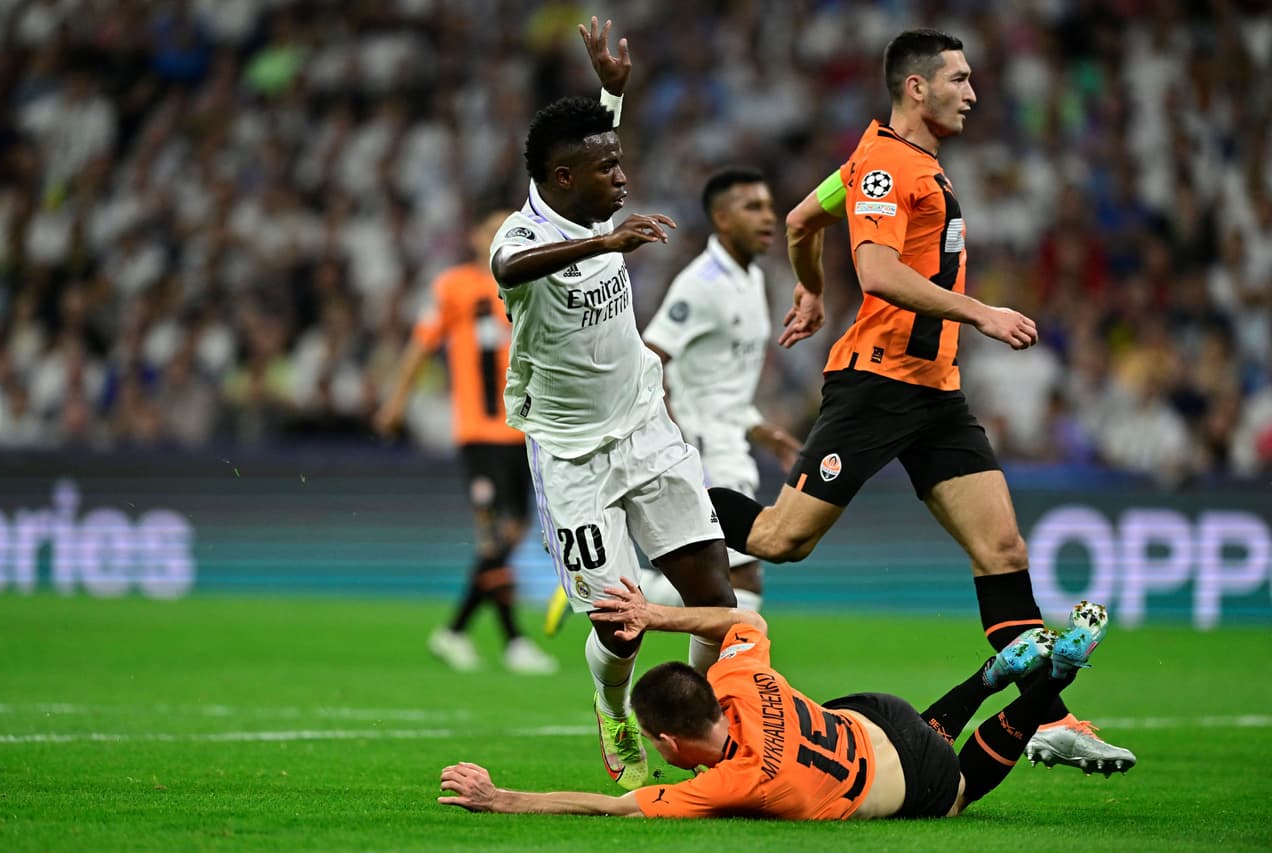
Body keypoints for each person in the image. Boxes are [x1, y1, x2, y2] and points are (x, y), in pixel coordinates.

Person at [704, 28, 1136, 771]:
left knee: (1002, 550)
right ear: (916, 87)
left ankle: (1050, 718)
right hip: (877, 384)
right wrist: (981, 313)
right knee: (781, 540)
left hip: (936, 393)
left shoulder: (892, 163)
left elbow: (803, 221)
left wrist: (810, 288)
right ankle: (663, 499)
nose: (972, 93)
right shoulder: (883, 166)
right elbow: (876, 272)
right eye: (958, 80)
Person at [488, 19, 736, 791]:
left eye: (621, 162)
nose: (623, 179)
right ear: (564, 180)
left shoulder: (584, 189)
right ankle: (612, 704)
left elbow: (593, 149)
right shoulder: (521, 236)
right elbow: (510, 267)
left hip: (645, 427)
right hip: (573, 456)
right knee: (622, 627)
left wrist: (610, 94)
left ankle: (710, 725)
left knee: (715, 596)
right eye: (608, 170)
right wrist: (602, 245)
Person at [438, 578, 1117, 818]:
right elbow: (747, 621)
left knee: (959, 789)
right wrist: (654, 616)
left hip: (914, 775)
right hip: (876, 713)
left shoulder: (732, 782)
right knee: (918, 734)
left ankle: (1052, 677)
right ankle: (992, 674)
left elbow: (611, 806)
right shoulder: (737, 681)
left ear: (670, 742)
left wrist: (502, 798)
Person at [543, 168, 800, 634]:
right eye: (752, 207)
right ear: (722, 218)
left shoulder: (750, 280)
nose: (768, 217)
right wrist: (666, 433)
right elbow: (652, 355)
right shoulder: (701, 284)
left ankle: (615, 592)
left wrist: (767, 433)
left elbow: (722, 383)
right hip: (703, 448)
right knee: (741, 584)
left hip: (731, 443)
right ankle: (615, 597)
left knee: (733, 587)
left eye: (768, 206)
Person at [374, 208, 558, 677]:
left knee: (510, 533)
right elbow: (421, 346)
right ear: (475, 237)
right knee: (494, 534)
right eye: (490, 228)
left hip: (525, 432)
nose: (498, 236)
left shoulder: (530, 284)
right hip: (479, 431)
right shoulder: (453, 286)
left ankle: (455, 632)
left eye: (506, 228)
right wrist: (395, 402)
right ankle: (513, 641)